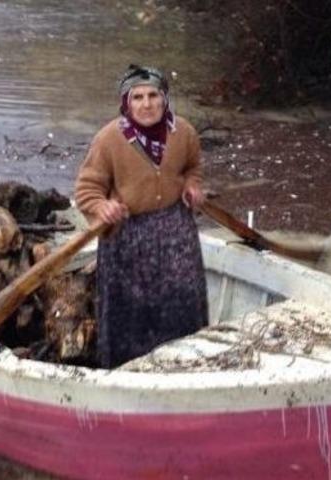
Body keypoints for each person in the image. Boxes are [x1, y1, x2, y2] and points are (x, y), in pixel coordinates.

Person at [75, 64, 208, 368]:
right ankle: (127, 369)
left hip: (176, 232)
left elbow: (193, 168)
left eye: (153, 96)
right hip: (127, 237)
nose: (146, 104)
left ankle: (186, 363)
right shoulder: (108, 139)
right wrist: (102, 207)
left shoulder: (184, 132)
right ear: (126, 102)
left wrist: (192, 185)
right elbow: (87, 190)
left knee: (182, 300)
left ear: (164, 99)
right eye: (137, 97)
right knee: (130, 312)